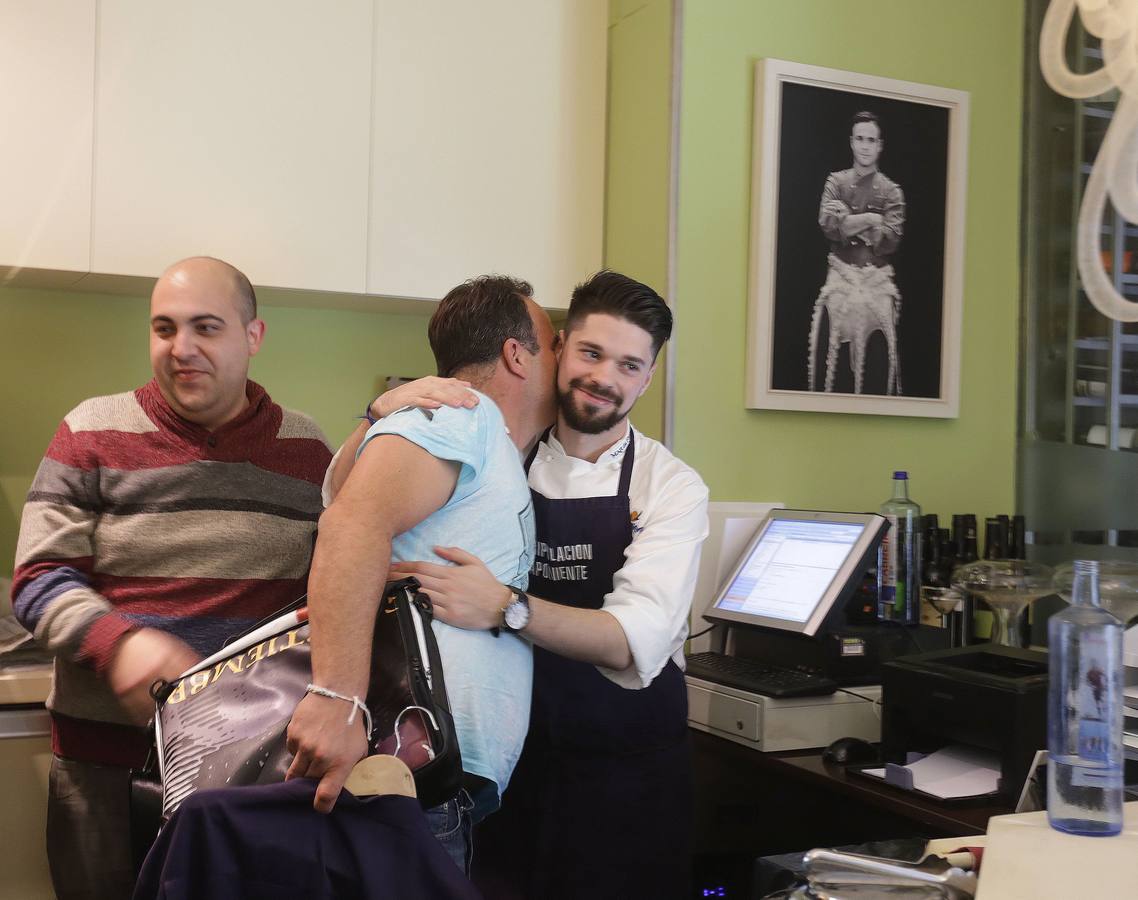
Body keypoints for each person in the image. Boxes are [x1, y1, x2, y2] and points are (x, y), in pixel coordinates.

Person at [10, 256, 333, 900]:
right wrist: (121, 642)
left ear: (253, 336)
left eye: (206, 328)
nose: (181, 349)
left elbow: (326, 596)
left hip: (249, 767)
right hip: (105, 764)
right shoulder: (90, 432)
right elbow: (38, 579)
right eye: (164, 328)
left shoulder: (308, 452)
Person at [390, 271, 710, 899]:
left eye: (628, 365)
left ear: (647, 377)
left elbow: (631, 637)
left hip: (627, 779)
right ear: (559, 349)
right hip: (512, 767)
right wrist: (387, 409)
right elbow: (351, 500)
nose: (604, 378)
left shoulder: (671, 487)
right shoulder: (502, 453)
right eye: (591, 353)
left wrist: (506, 609)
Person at [284, 275, 558, 874]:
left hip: (429, 779)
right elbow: (350, 528)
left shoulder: (472, 431)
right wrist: (337, 699)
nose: (561, 358)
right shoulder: (466, 416)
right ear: (516, 354)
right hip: (409, 777)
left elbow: (344, 505)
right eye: (552, 343)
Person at [811, 110, 907, 396]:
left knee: (881, 365)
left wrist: (849, 220)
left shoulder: (892, 192)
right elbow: (828, 224)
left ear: (880, 145)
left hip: (876, 282)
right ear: (852, 142)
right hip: (840, 277)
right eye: (860, 139)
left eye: (871, 140)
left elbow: (890, 239)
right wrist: (870, 219)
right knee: (828, 358)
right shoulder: (835, 182)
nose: (865, 146)